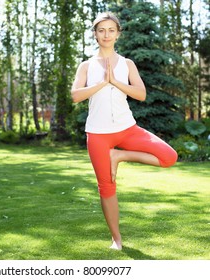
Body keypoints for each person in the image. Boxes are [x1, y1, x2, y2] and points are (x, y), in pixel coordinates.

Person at [71, 12, 178, 251]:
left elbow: (140, 94)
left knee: (169, 157)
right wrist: (101, 82)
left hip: (127, 129)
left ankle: (118, 156)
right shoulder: (86, 66)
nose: (106, 35)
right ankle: (116, 240)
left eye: (111, 30)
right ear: (95, 34)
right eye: (101, 30)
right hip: (97, 134)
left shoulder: (127, 64)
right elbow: (75, 96)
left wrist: (115, 81)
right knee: (107, 187)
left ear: (118, 34)